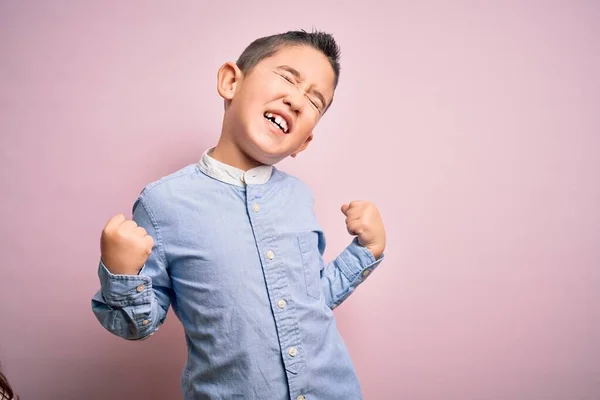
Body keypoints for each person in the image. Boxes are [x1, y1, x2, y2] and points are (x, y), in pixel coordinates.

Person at [91, 29, 386, 400]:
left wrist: (368, 249)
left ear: (305, 141)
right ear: (231, 81)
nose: (297, 100)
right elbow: (137, 325)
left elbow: (309, 301)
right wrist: (121, 273)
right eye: (288, 78)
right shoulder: (162, 203)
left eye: (315, 101)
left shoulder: (299, 197)